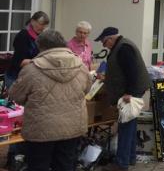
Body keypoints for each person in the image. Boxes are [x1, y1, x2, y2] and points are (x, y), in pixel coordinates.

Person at [9, 30, 91, 171]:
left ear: (42, 47)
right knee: (65, 165)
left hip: (41, 128)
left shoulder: (32, 69)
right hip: (72, 126)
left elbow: (16, 96)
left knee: (38, 166)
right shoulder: (81, 66)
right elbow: (87, 89)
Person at [95, 27, 151, 170]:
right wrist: (107, 77)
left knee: (125, 126)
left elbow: (131, 71)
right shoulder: (121, 46)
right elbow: (121, 70)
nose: (103, 45)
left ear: (111, 38)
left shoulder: (124, 48)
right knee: (130, 126)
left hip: (131, 92)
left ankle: (121, 163)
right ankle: (130, 158)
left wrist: (129, 92)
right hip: (133, 90)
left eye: (104, 42)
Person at [7, 11, 49, 90]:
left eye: (45, 25)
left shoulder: (41, 36)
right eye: (41, 24)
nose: (43, 27)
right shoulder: (23, 36)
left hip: (32, 77)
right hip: (16, 77)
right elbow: (19, 62)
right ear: (32, 22)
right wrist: (41, 61)